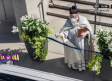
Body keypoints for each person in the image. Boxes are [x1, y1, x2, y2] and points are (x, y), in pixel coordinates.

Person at [56, 5, 93, 71]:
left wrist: (86, 33)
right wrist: (60, 35)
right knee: (74, 55)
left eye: (74, 16)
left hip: (82, 43)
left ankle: (83, 67)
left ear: (77, 15)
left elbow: (90, 30)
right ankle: (75, 66)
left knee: (82, 54)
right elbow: (65, 31)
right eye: (71, 16)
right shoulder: (68, 22)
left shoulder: (83, 20)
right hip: (73, 43)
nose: (72, 18)